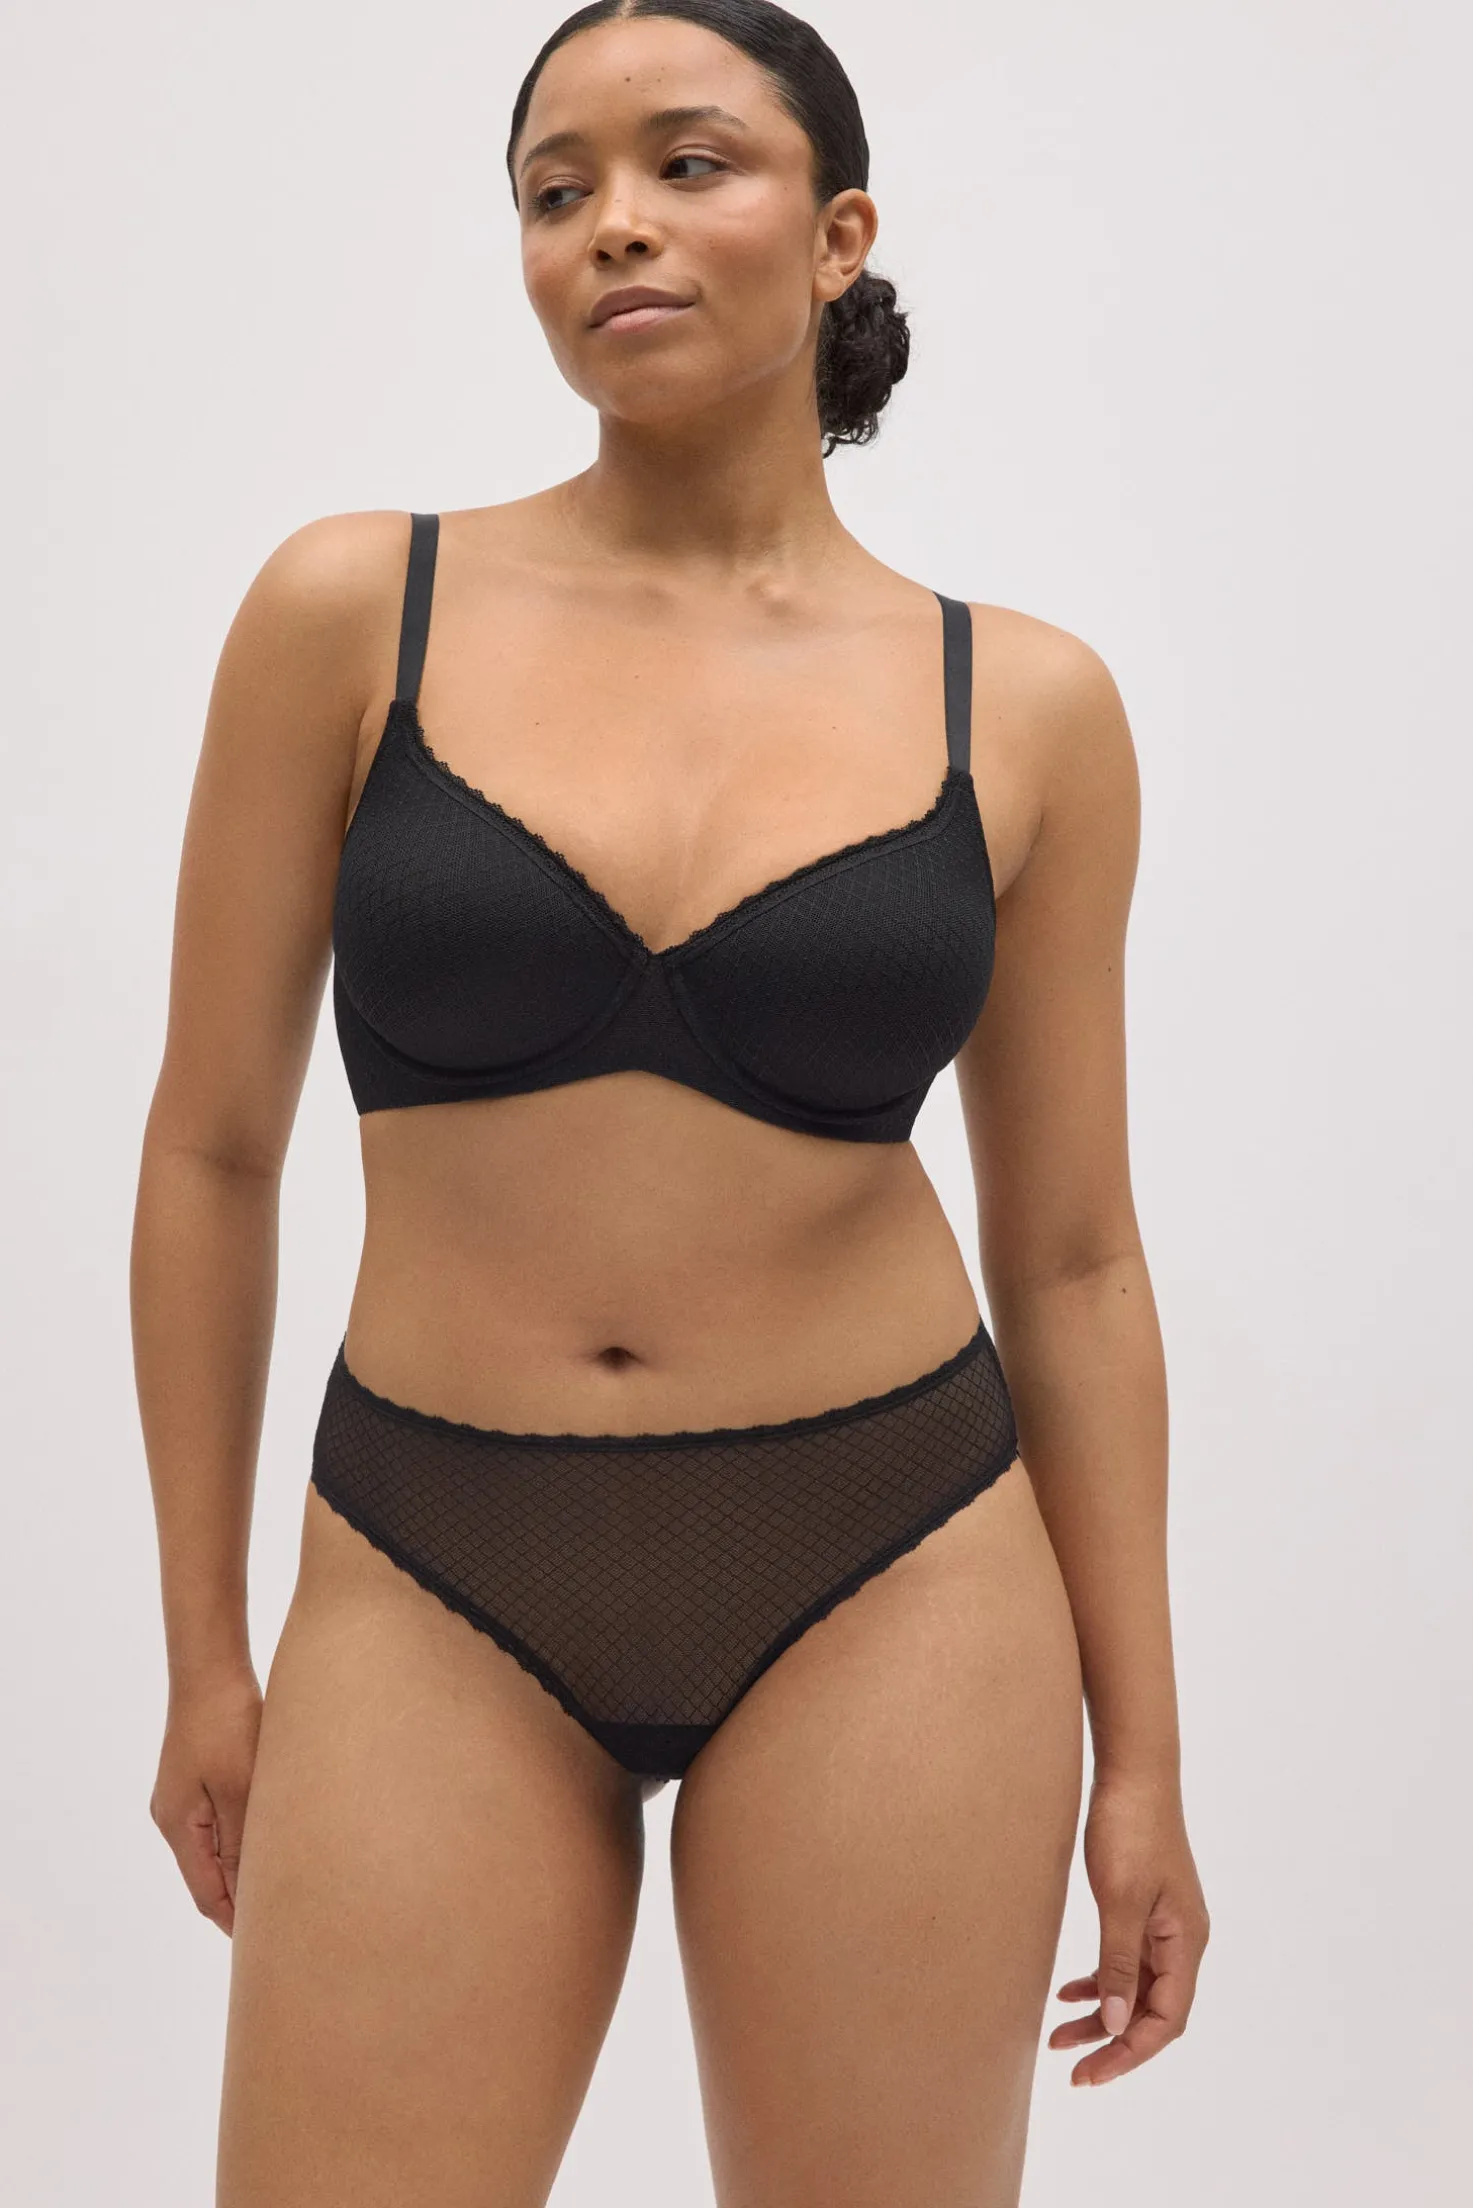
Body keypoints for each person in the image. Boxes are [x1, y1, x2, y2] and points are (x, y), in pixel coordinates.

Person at [130, 2, 1209, 2201]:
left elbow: (1078, 1259)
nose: (610, 223)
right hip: (430, 1554)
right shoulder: (353, 612)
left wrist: (1146, 1762)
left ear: (838, 234)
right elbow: (212, 1152)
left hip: (895, 1555)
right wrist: (203, 1656)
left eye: (686, 163)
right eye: (556, 190)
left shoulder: (1024, 708)